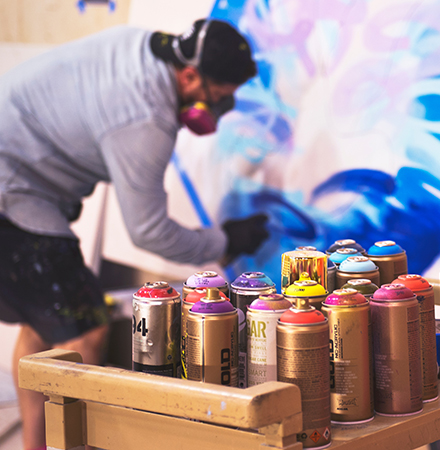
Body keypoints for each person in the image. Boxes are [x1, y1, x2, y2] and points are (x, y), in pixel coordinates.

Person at [0, 18, 269, 450]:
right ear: (187, 75)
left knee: (42, 323)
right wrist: (223, 242)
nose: (218, 109)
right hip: (12, 191)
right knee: (83, 332)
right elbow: (148, 231)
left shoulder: (144, 45)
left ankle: (34, 445)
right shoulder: (145, 120)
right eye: (215, 97)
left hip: (20, 177)